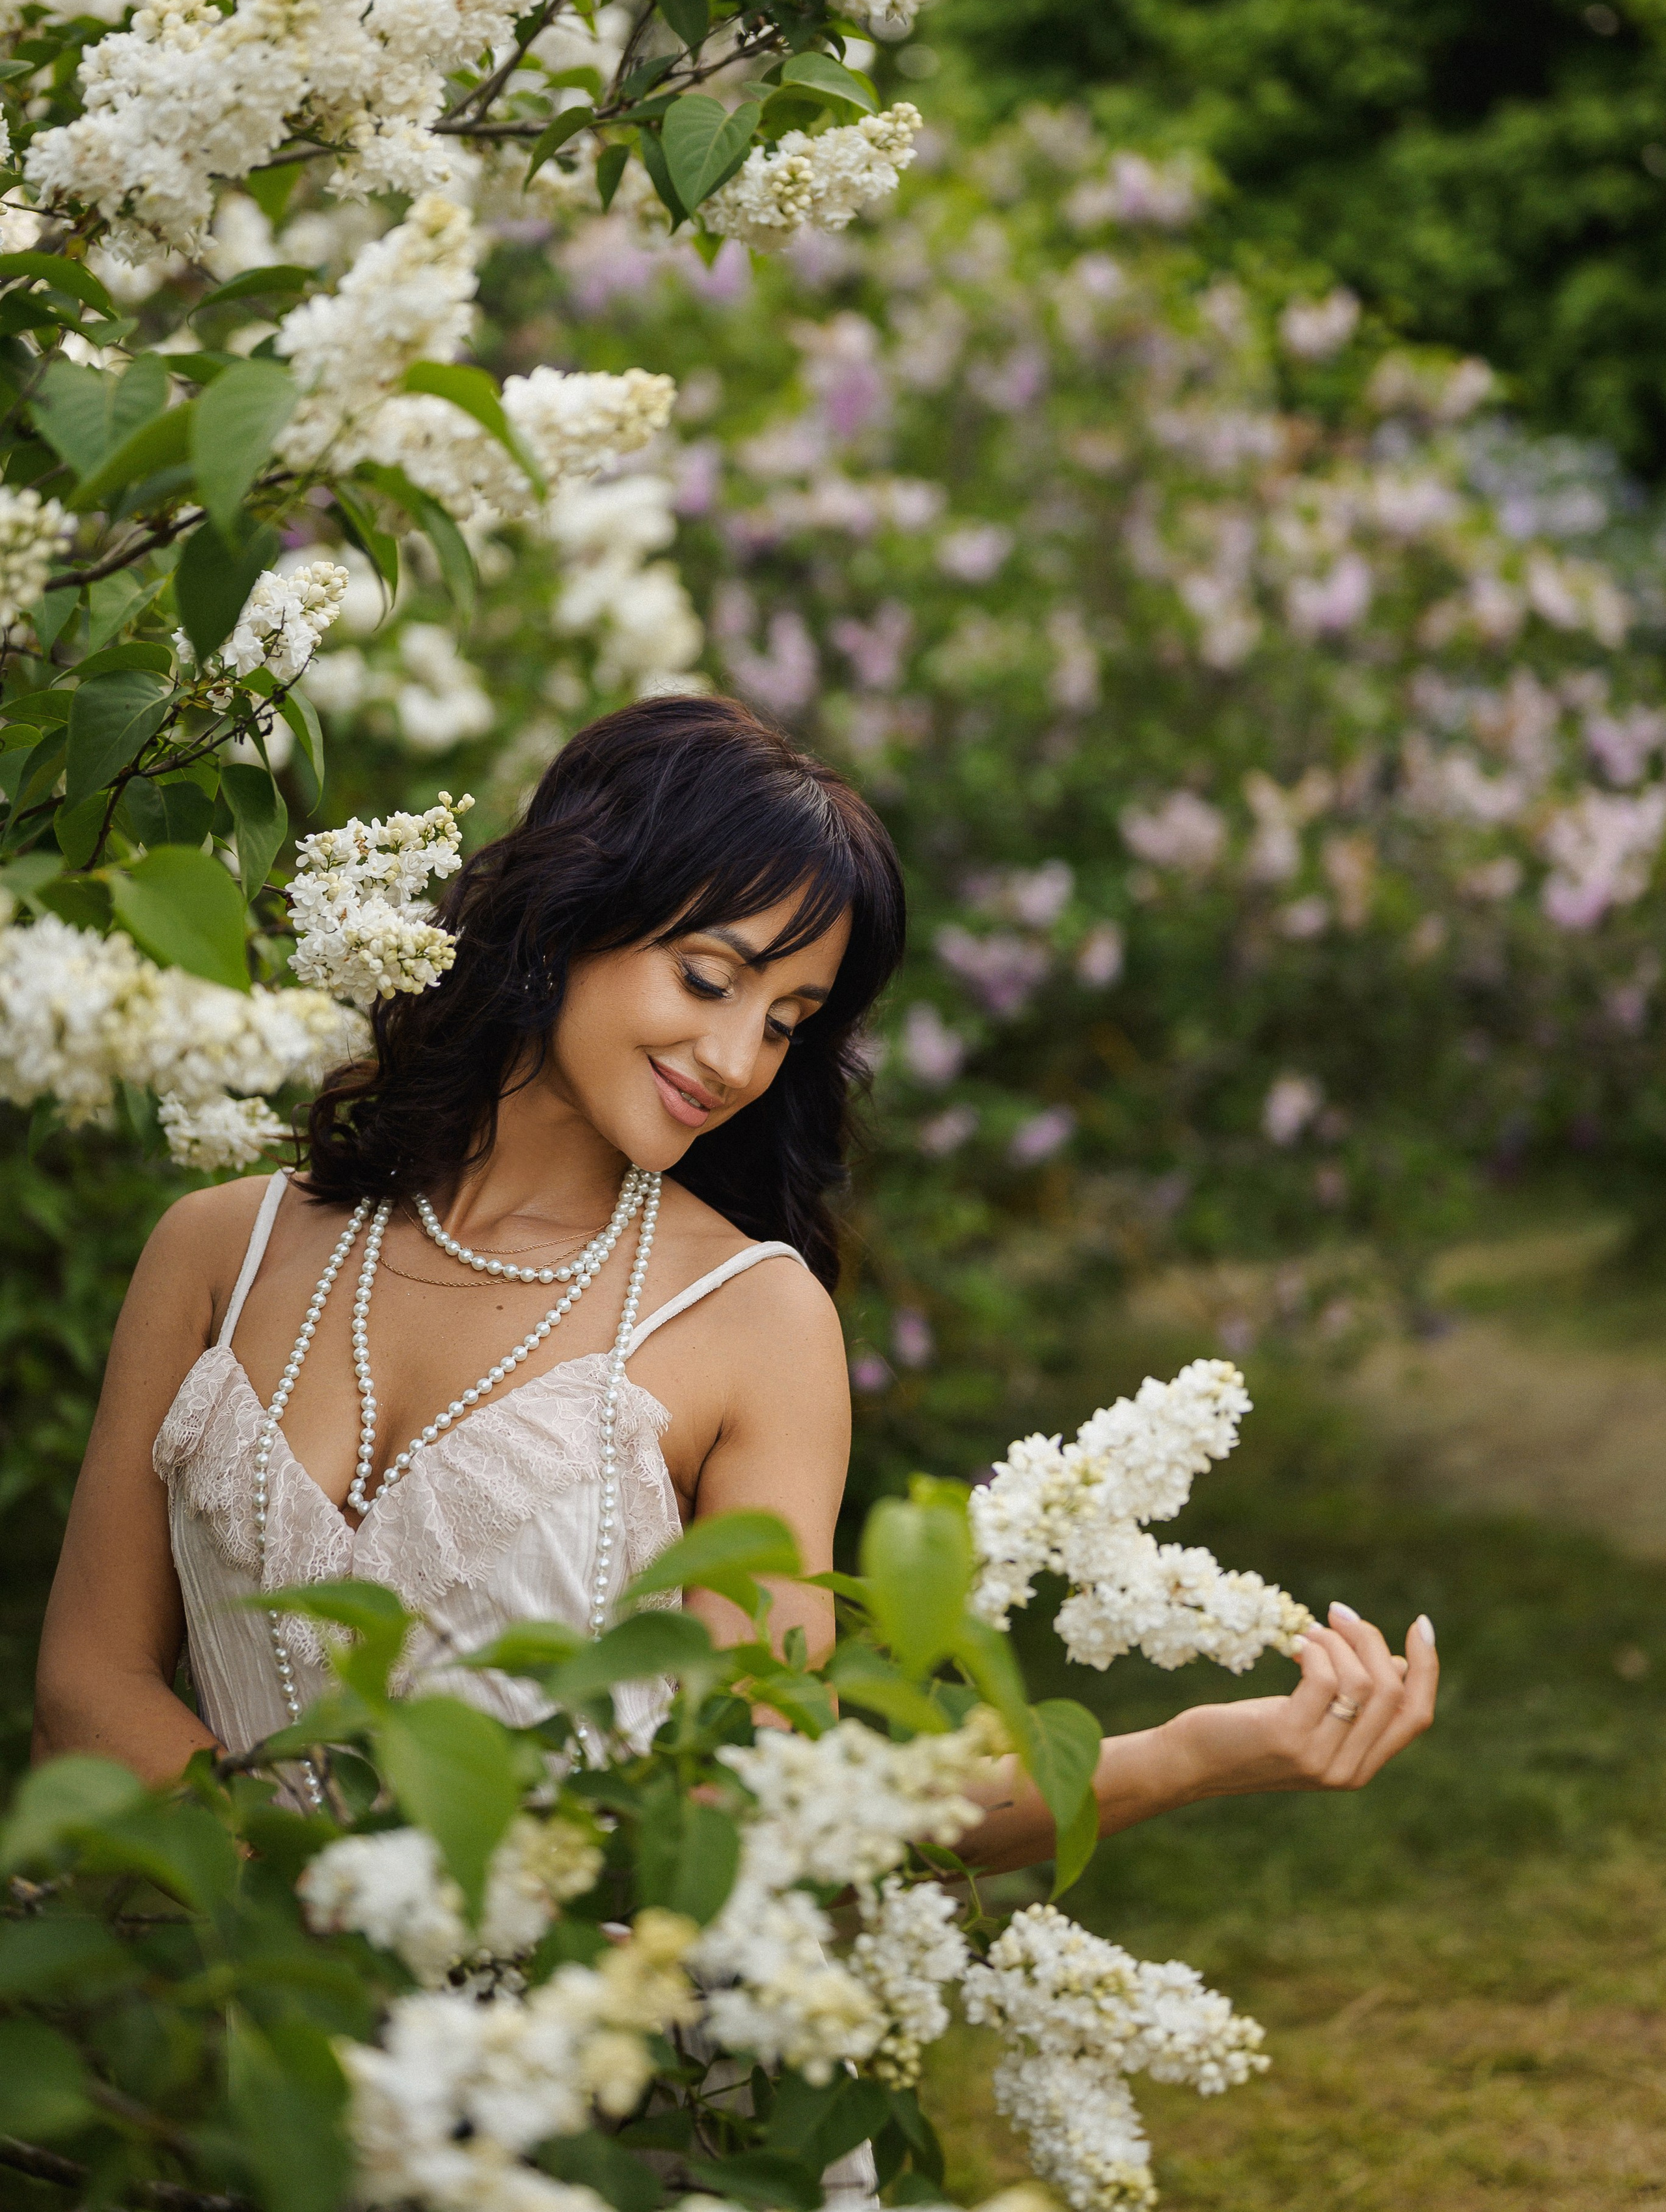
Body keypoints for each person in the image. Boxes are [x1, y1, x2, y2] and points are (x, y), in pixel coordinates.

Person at [33, 695, 1437, 1862]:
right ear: (559, 920)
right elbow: (87, 1681)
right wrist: (300, 1911)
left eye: (785, 1019)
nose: (735, 1056)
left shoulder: (754, 1321)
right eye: (706, 976)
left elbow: (770, 1801)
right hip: (233, 2063)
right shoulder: (224, 1249)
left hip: (593, 2090)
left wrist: (1186, 1751)